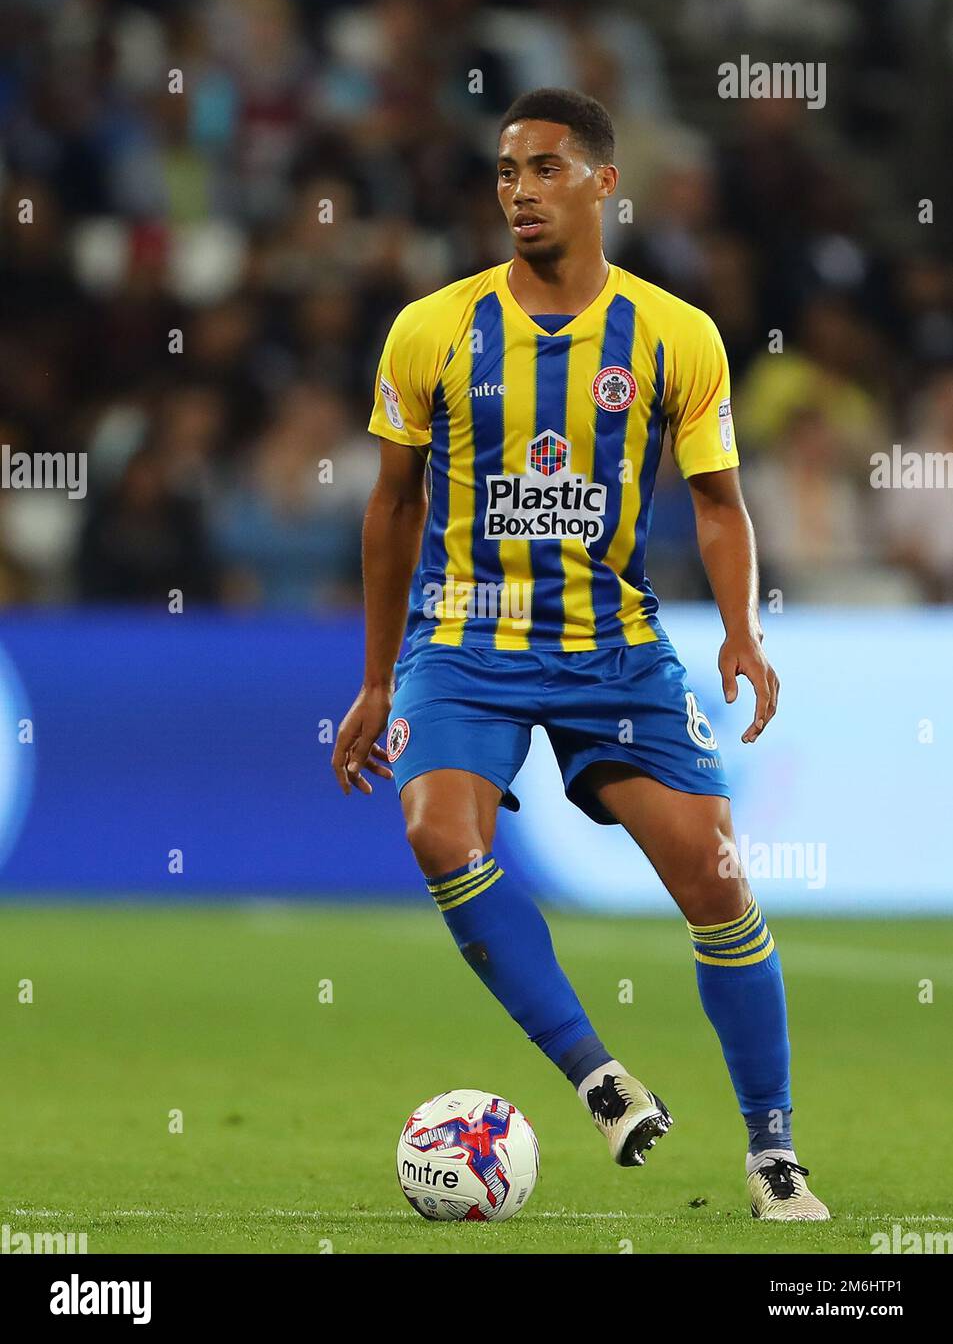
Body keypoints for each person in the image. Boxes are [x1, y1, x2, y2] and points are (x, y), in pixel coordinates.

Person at [333, 88, 828, 1221]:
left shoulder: (672, 333)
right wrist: (373, 678)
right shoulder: (431, 328)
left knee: (712, 878)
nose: (519, 192)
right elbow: (388, 510)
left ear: (602, 183)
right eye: (506, 173)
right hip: (463, 637)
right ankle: (597, 1077)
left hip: (613, 645)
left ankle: (771, 1152)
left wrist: (741, 630)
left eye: (544, 169)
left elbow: (716, 503)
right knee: (431, 828)